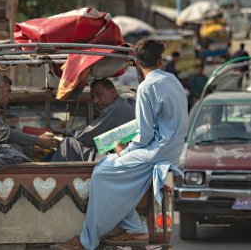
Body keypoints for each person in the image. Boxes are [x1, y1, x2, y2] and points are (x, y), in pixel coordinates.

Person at [54, 39, 188, 250]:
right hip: (170, 149)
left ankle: (85, 241)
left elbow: (144, 135)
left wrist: (123, 150)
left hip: (156, 152)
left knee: (101, 174)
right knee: (115, 181)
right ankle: (136, 229)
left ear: (136, 61)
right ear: (160, 61)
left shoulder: (146, 87)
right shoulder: (173, 80)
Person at [50, 78, 135, 162]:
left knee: (68, 143)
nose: (95, 101)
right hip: (118, 155)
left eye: (99, 95)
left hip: (117, 158)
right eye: (93, 97)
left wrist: (69, 133)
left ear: (112, 92)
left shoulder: (117, 108)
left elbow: (85, 138)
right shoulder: (125, 103)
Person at [0, 71, 60, 161]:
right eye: (8, 91)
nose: (11, 97)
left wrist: (31, 148)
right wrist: (39, 141)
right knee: (14, 149)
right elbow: (3, 134)